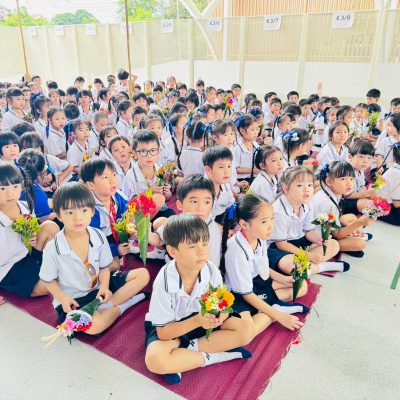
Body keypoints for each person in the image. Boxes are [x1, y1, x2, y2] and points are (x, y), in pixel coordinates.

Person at [144, 213, 253, 384]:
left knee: (246, 330)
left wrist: (220, 316)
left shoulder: (211, 270)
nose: (202, 251)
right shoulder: (164, 281)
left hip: (201, 322)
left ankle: (182, 356)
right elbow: (163, 333)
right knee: (155, 360)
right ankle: (215, 356)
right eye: (192, 246)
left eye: (204, 243)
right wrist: (197, 321)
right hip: (172, 328)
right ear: (172, 251)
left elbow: (222, 306)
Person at [39, 182, 149, 332]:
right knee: (94, 326)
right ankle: (124, 305)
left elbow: (104, 268)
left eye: (84, 210)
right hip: (74, 298)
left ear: (92, 211)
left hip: (98, 288)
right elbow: (47, 280)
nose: (78, 218)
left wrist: (104, 287)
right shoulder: (53, 248)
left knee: (143, 275)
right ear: (59, 215)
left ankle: (105, 307)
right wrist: (63, 299)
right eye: (70, 212)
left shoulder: (98, 235)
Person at [221, 194, 309, 339]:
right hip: (238, 294)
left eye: (272, 219)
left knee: (301, 286)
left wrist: (283, 279)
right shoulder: (236, 251)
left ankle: (267, 308)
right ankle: (272, 310)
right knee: (247, 333)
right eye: (264, 221)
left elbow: (262, 267)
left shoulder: (260, 237)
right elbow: (246, 293)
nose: (270, 226)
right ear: (244, 225)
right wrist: (279, 316)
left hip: (255, 282)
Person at [268, 166, 349, 274]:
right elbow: (281, 244)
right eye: (300, 185)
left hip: (299, 241)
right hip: (279, 247)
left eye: (310, 185)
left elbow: (309, 231)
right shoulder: (278, 211)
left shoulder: (306, 205)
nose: (307, 189)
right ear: (286, 188)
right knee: (291, 266)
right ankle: (323, 267)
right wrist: (308, 255)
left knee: (334, 245)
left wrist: (320, 239)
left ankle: (307, 266)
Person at [0, 163, 59, 303]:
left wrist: (33, 237)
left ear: (21, 186)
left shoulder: (25, 205)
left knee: (50, 226)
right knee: (49, 286)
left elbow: (33, 230)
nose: (10, 193)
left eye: (15, 186)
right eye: (2, 188)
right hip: (8, 268)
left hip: (28, 255)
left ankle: (56, 265)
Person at [310, 161, 375, 257]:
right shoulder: (328, 204)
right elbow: (337, 234)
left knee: (352, 217)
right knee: (360, 244)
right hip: (316, 237)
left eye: (352, 179)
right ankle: (336, 248)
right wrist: (359, 223)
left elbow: (337, 217)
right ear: (329, 181)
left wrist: (351, 227)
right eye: (343, 179)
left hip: (324, 227)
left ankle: (349, 239)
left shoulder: (329, 192)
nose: (349, 183)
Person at [123, 130, 173, 217]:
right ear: (135, 153)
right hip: (142, 215)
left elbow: (167, 197)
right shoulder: (130, 176)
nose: (149, 155)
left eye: (153, 150)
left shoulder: (161, 169)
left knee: (173, 218)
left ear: (158, 152)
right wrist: (148, 193)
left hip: (161, 209)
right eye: (143, 151)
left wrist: (167, 193)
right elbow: (128, 204)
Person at [203, 146, 235, 223]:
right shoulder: (201, 190)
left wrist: (229, 222)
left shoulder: (225, 185)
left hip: (221, 220)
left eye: (229, 166)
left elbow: (231, 206)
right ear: (208, 170)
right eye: (221, 167)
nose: (227, 171)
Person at [345, 140, 376, 213]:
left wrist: (368, 193)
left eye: (369, 158)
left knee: (374, 198)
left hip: (356, 197)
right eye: (361, 157)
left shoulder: (360, 170)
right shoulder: (347, 171)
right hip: (344, 202)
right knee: (369, 205)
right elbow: (346, 195)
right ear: (350, 156)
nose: (365, 161)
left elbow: (362, 186)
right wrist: (363, 195)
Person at [233, 114, 260, 183]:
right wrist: (254, 170)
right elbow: (235, 169)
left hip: (255, 178)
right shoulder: (237, 148)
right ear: (242, 131)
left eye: (257, 129)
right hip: (242, 181)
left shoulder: (256, 145)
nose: (256, 132)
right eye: (252, 130)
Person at [379, 142, 400, 225]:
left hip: (384, 204)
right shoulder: (397, 174)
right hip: (386, 209)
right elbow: (397, 204)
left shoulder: (394, 169)